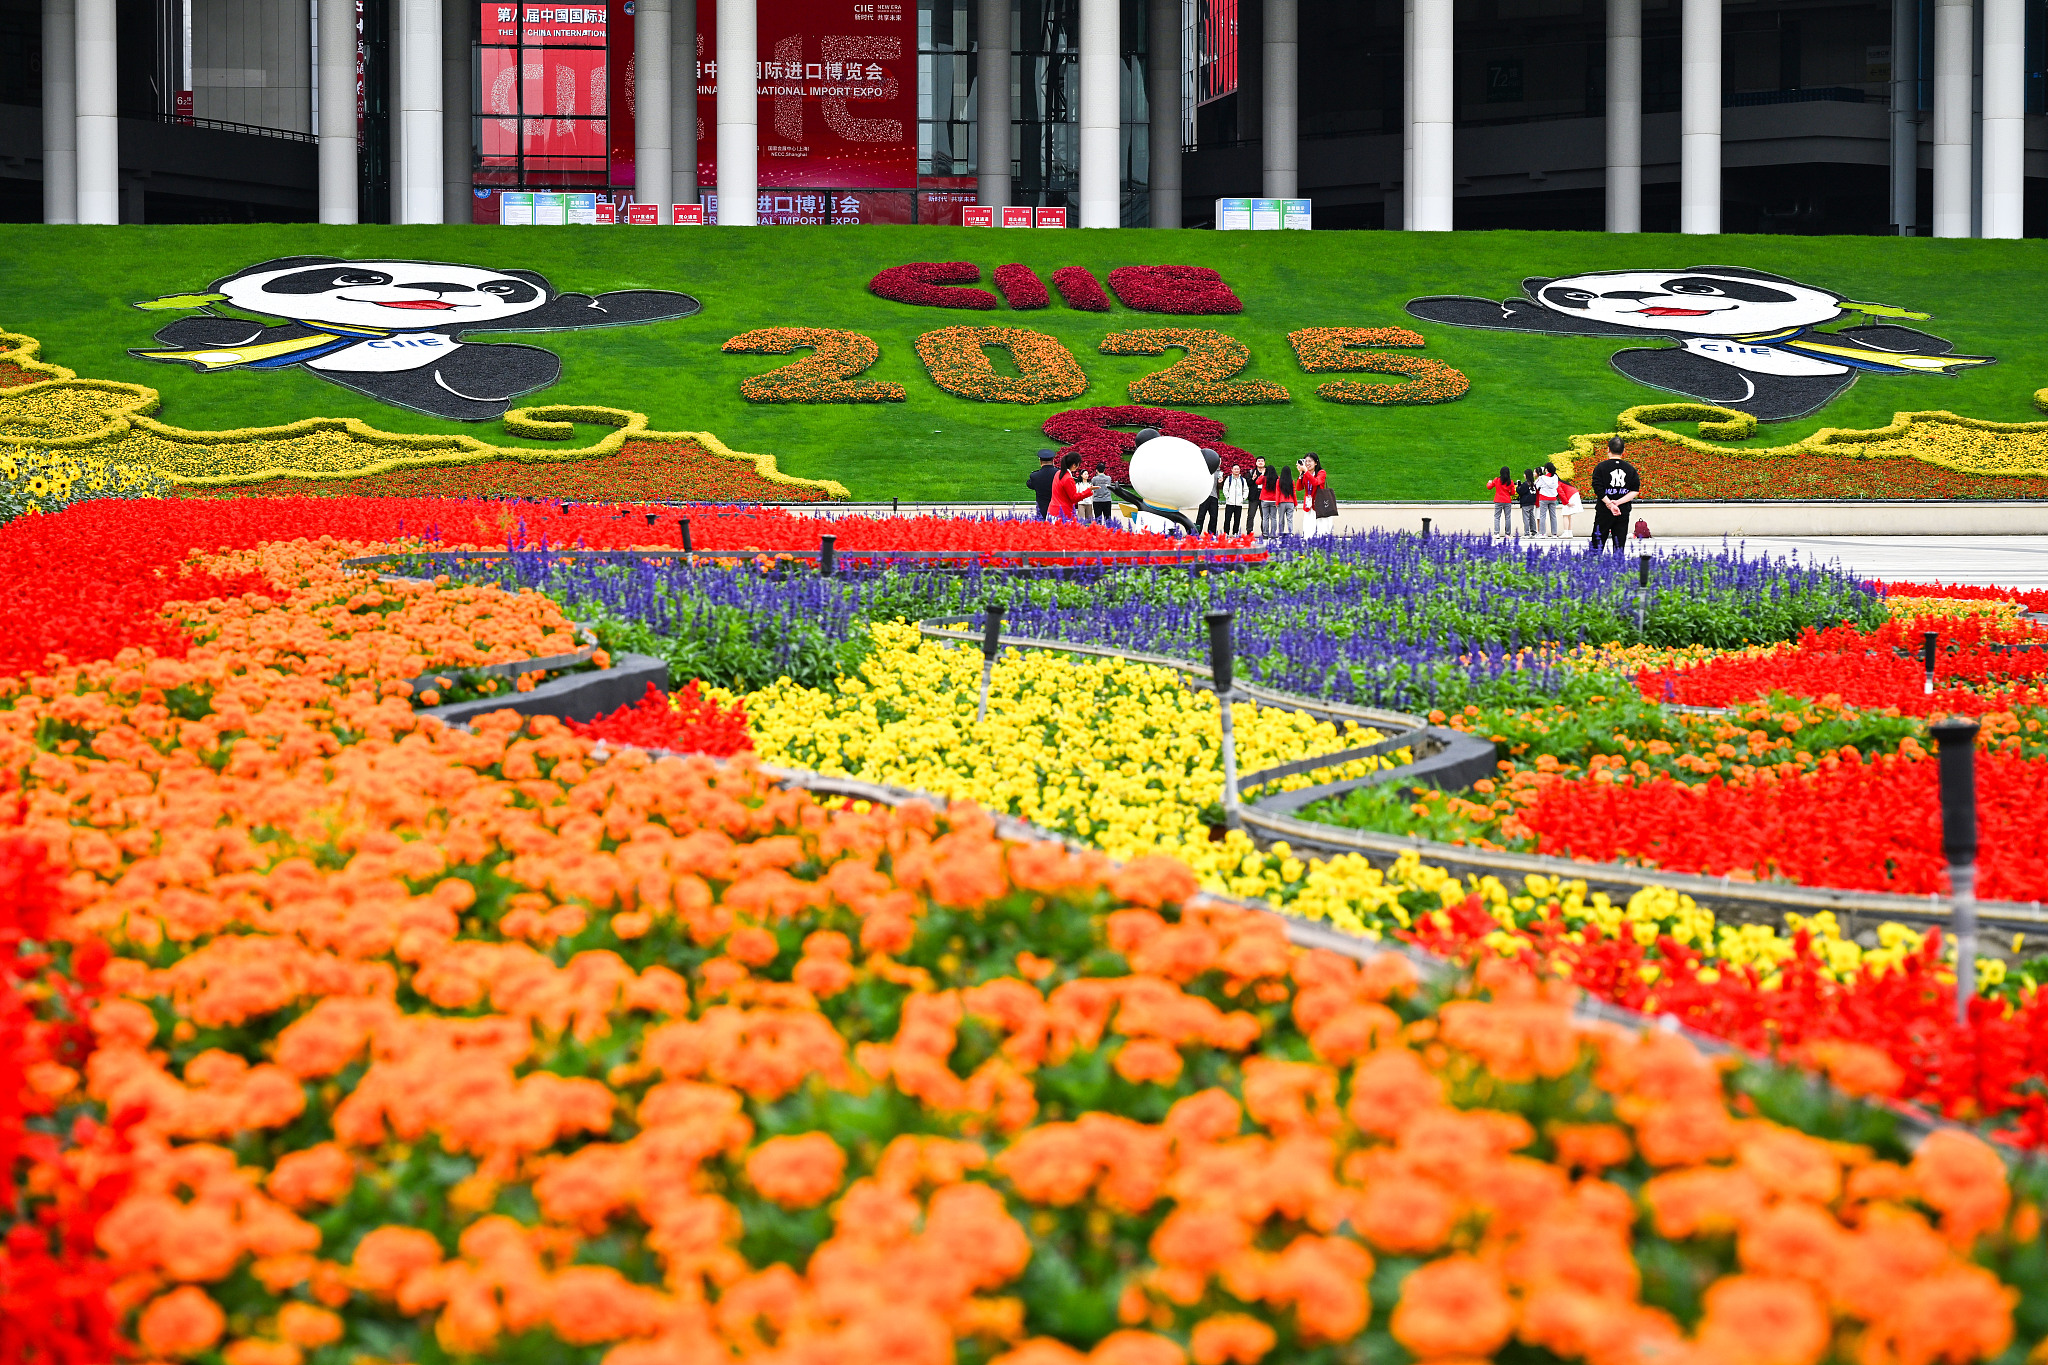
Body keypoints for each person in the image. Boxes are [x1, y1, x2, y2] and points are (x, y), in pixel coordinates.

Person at [1587, 436, 1641, 555]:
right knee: (1619, 544)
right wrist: (1618, 503)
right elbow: (1635, 490)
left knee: (1597, 543)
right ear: (1623, 450)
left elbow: (1598, 488)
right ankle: (1618, 570)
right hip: (1622, 511)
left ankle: (1594, 568)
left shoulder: (1601, 467)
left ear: (1608, 449)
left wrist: (1609, 503)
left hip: (1604, 511)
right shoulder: (1630, 469)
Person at [1296, 453, 1337, 538]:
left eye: (1310, 461)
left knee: (1322, 527)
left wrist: (1306, 472)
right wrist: (1300, 474)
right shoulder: (1305, 474)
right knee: (1308, 527)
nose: (1307, 463)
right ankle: (1308, 543)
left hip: (1319, 504)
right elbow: (1299, 488)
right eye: (1306, 461)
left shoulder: (1321, 472)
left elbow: (1316, 482)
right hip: (1309, 505)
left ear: (1316, 463)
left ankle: (1323, 545)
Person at [1047, 453, 1086, 521]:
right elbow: (1074, 498)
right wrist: (1088, 491)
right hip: (1064, 513)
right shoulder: (1068, 478)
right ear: (1074, 465)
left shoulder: (1058, 473)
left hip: (1053, 510)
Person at [1220, 462, 1252, 534]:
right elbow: (1225, 489)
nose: (1236, 470)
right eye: (1235, 469)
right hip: (1229, 503)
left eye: (1238, 469)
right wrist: (1228, 497)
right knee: (1227, 519)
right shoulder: (1229, 479)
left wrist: (1243, 498)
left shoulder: (1242, 480)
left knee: (1237, 519)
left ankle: (1235, 533)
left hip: (1239, 503)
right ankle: (1226, 533)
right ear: (1232, 470)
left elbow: (1246, 490)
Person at [1257, 458, 1286, 536]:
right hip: (1274, 500)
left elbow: (1257, 482)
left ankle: (1265, 534)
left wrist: (1262, 474)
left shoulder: (1264, 478)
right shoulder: (1277, 479)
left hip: (1264, 500)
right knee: (1273, 518)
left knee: (1265, 517)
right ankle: (1273, 534)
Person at [1485, 465, 1516, 537]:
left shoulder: (1496, 480)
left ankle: (1496, 533)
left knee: (1497, 517)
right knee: (1508, 517)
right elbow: (1513, 493)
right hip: (1507, 501)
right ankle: (1507, 534)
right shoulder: (1510, 482)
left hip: (1498, 500)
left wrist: (1489, 482)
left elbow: (1489, 487)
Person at [1026, 449, 1058, 518]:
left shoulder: (1035, 476)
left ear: (1040, 461)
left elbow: (1029, 484)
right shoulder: (1059, 474)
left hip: (1042, 509)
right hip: (1057, 508)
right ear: (1053, 461)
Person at [1536, 463, 1560, 538]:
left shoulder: (1542, 478)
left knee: (1542, 515)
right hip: (1553, 498)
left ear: (1546, 469)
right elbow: (1556, 486)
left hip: (1543, 497)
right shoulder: (1555, 477)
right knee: (1553, 516)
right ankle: (1554, 533)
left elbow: (1536, 486)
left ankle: (1542, 533)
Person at [1516, 468, 1539, 537]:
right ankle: (1534, 531)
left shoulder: (1526, 484)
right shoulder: (1533, 484)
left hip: (1526, 503)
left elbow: (1520, 491)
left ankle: (1526, 533)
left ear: (1526, 475)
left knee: (1526, 518)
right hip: (1532, 503)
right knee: (1532, 517)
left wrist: (1518, 487)